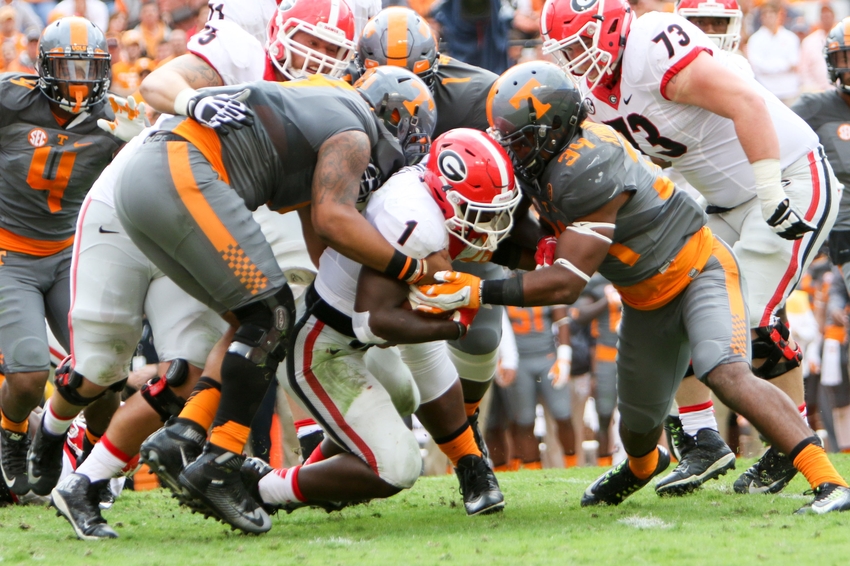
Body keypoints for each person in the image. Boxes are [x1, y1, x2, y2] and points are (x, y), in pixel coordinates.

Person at [410, 60, 850, 515]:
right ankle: (642, 466)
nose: (512, 147)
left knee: (725, 371)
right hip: (646, 298)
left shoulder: (586, 166)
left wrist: (478, 292)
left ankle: (830, 482)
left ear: (554, 128)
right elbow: (543, 249)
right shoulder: (547, 161)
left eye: (521, 137)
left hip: (701, 270)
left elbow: (564, 282)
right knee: (638, 428)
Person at [540, 0, 839, 498]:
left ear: (611, 28)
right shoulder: (595, 91)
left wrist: (771, 193)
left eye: (579, 44)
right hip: (722, 203)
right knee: (681, 297)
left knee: (741, 323)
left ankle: (793, 447)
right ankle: (702, 438)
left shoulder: (652, 45)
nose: (575, 59)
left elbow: (747, 104)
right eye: (564, 50)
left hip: (787, 179)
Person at [245, 126, 511, 519]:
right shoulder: (416, 223)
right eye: (477, 213)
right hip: (320, 346)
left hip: (349, 332)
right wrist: (453, 326)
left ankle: (312, 476)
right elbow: (376, 323)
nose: (485, 227)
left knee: (404, 394)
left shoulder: (419, 193)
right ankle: (259, 487)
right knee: (400, 466)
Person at [357, 7, 511, 459]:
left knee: (480, 336)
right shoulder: (345, 93)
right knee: (372, 331)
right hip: (377, 222)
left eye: (415, 75)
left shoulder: (479, 93)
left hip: (458, 223)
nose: (403, 91)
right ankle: (364, 438)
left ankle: (467, 421)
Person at [0, 17, 122, 498]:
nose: (78, 80)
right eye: (68, 67)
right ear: (45, 67)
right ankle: (11, 432)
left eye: (87, 68)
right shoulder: (10, 101)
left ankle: (96, 459)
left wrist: (144, 138)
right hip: (11, 254)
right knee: (29, 376)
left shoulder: (114, 120)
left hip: (70, 255)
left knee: (106, 374)